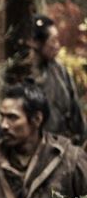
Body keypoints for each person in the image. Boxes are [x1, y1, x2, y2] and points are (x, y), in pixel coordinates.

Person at [29, 14, 85, 143]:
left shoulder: (60, 71)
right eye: (53, 41)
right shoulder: (22, 74)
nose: (58, 45)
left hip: (63, 144)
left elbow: (75, 111)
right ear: (35, 43)